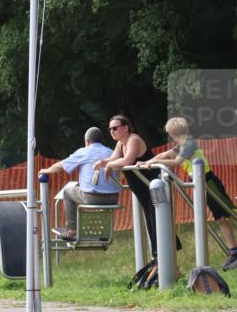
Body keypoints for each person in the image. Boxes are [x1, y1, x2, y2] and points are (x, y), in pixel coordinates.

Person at [138, 117, 237, 270]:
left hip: (209, 182)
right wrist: (146, 163)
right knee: (221, 217)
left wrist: (154, 163)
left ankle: (234, 251)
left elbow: (176, 162)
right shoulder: (182, 144)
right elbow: (164, 155)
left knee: (225, 215)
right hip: (202, 182)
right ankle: (234, 250)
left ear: (172, 132)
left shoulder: (189, 144)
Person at [94, 114, 180, 263]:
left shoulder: (134, 139)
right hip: (143, 189)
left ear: (125, 128)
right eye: (110, 129)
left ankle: (165, 258)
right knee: (151, 221)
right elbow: (113, 158)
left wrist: (109, 165)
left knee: (157, 220)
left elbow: (127, 160)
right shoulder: (121, 143)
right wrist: (103, 162)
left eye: (115, 128)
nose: (111, 131)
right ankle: (159, 258)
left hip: (153, 186)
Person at [40, 127, 121, 239]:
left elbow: (62, 166)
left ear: (86, 141)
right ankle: (104, 231)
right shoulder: (112, 152)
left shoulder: (84, 152)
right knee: (81, 187)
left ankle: (73, 230)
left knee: (68, 192)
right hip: (113, 198)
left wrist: (46, 170)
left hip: (93, 198)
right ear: (101, 140)